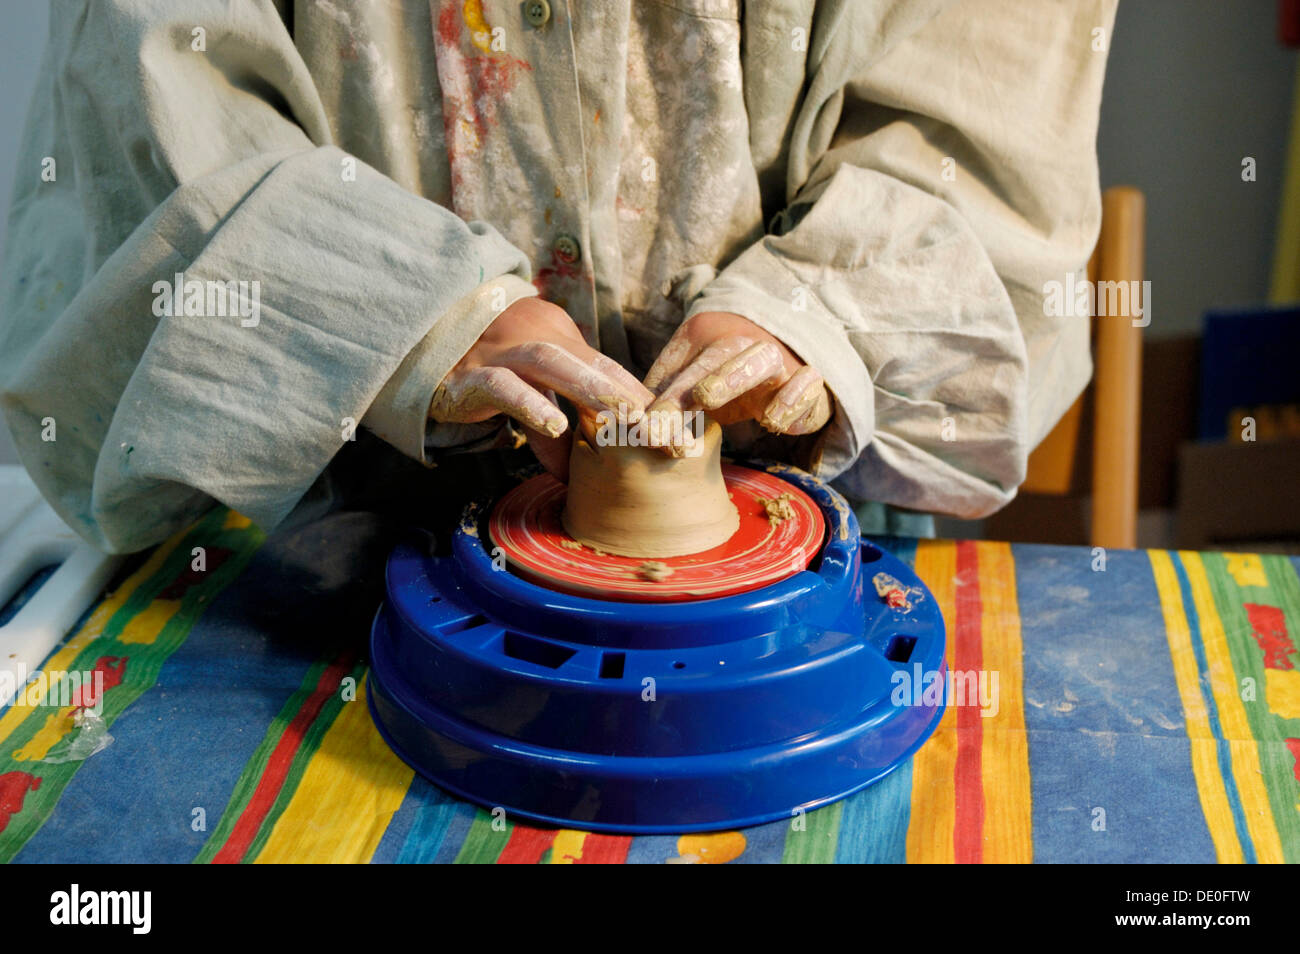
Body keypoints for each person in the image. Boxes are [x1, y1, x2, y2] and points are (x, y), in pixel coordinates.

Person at [0, 0, 1117, 554]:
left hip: (798, 530)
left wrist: (814, 318)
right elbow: (151, 116)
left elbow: (980, 131)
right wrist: (402, 317)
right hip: (325, 530)